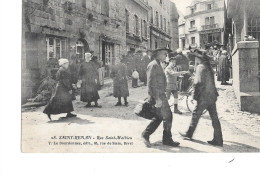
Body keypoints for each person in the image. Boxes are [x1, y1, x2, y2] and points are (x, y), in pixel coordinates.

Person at [180, 49, 223, 147]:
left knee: (195, 114)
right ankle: (218, 139)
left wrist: (194, 96)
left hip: (203, 96)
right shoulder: (208, 67)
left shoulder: (200, 67)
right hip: (212, 95)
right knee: (214, 118)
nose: (195, 59)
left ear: (199, 58)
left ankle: (189, 134)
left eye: (196, 57)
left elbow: (197, 82)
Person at [141, 48, 180, 148]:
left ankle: (146, 134)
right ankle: (165, 139)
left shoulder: (158, 64)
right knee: (168, 116)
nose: (166, 56)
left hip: (160, 95)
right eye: (164, 54)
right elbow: (150, 84)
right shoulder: (153, 65)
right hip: (157, 96)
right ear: (158, 54)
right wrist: (157, 98)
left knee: (159, 117)